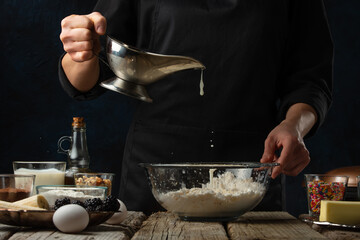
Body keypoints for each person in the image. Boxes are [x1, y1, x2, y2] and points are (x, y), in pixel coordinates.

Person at [58, 0, 333, 214]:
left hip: (251, 172)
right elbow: (85, 81)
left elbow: (310, 79)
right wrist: (80, 51)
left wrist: (293, 126)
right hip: (156, 172)